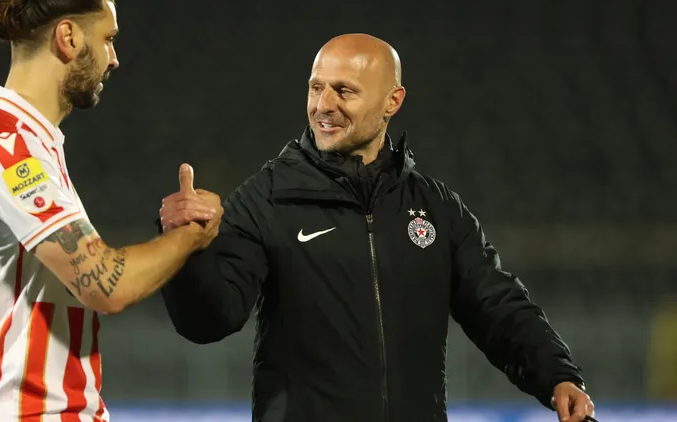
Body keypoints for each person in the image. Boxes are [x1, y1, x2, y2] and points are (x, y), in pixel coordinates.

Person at [159, 33, 596, 422]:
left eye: (343, 91)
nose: (323, 105)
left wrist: (556, 376)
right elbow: (208, 320)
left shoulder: (434, 206)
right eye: (316, 88)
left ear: (393, 101)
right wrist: (186, 250)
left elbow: (497, 304)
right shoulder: (269, 198)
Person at [0, 0, 219, 420]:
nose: (114, 59)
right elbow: (106, 284)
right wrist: (189, 236)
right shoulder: (7, 147)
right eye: (108, 39)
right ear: (67, 37)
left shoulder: (26, 142)